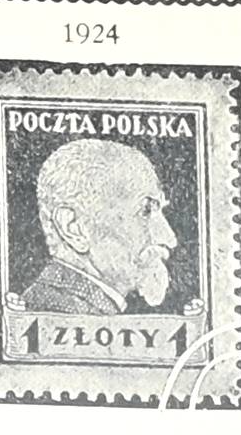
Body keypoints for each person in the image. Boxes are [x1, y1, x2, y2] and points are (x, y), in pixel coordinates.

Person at [16, 130, 182, 315]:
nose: (170, 238)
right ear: (74, 228)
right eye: (145, 210)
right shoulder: (60, 311)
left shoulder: (93, 311)